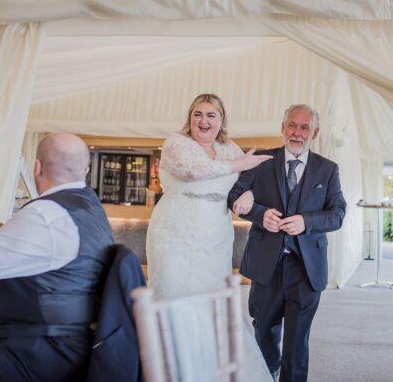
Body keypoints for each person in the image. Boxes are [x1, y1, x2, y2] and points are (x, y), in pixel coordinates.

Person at [0, 133, 114, 382]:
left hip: (42, 348)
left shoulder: (45, 213)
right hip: (76, 342)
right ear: (85, 170)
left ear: (37, 167)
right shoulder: (88, 207)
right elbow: (34, 246)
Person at [144, 93, 273, 380]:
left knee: (214, 299)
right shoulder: (176, 143)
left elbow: (252, 180)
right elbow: (193, 171)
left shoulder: (230, 148)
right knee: (175, 293)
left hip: (216, 234)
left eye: (211, 115)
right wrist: (239, 166)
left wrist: (250, 193)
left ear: (221, 120)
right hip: (175, 232)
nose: (203, 120)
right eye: (198, 114)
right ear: (190, 118)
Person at [228, 104, 347, 382]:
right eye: (292, 125)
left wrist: (307, 222)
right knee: (265, 330)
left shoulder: (328, 170)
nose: (297, 132)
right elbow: (234, 195)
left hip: (307, 267)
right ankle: (265, 375)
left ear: (314, 132)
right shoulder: (261, 160)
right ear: (282, 128)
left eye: (304, 127)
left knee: (297, 341)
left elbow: (338, 214)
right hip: (266, 262)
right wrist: (259, 214)